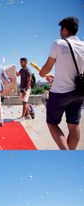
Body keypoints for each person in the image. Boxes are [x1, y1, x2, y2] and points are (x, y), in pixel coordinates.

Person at [39, 16, 84, 150]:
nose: (59, 32)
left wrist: (42, 73)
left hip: (60, 93)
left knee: (51, 123)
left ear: (65, 29)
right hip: (79, 92)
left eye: (60, 29)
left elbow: (46, 68)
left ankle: (65, 151)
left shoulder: (58, 43)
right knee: (74, 125)